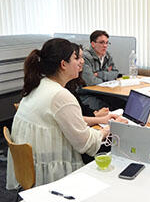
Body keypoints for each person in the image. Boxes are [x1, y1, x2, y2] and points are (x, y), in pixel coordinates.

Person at [6, 38, 109, 189]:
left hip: (32, 169)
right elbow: (85, 144)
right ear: (63, 64)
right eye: (76, 58)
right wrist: (107, 130)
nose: (80, 62)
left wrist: (102, 120)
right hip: (53, 176)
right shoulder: (60, 95)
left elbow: (69, 121)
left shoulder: (39, 85)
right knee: (111, 152)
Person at [66, 43, 127, 126]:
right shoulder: (63, 92)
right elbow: (92, 81)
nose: (82, 61)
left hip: (100, 92)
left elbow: (115, 73)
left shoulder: (107, 55)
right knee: (112, 105)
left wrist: (99, 74)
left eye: (107, 42)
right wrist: (98, 117)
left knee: (122, 102)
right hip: (88, 93)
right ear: (93, 44)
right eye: (77, 58)